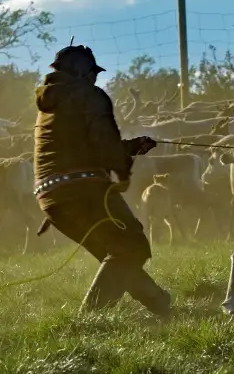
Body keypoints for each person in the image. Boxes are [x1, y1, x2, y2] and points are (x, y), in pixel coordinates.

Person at [32, 44, 173, 321]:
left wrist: (131, 146)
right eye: (92, 72)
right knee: (131, 246)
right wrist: (122, 173)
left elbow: (80, 144)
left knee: (116, 255)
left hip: (51, 198)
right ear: (81, 72)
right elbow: (103, 144)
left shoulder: (51, 102)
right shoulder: (88, 95)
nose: (96, 78)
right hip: (83, 190)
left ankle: (160, 304)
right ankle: (88, 320)